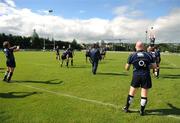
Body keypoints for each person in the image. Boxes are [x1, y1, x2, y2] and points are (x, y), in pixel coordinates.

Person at [123, 41, 156, 116]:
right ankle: (142, 111)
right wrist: (147, 66)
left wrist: (134, 65)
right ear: (143, 47)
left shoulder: (132, 55)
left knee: (131, 93)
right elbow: (154, 67)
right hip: (146, 75)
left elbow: (126, 68)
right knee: (144, 93)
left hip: (136, 76)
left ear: (136, 47)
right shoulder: (149, 55)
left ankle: (126, 108)